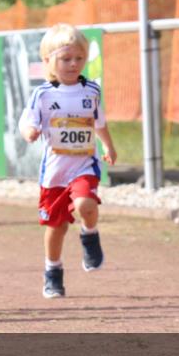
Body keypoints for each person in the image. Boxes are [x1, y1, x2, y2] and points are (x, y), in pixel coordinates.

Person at [18, 24, 117, 299]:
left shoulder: (91, 91)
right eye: (66, 59)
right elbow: (26, 121)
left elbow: (99, 122)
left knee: (86, 204)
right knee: (57, 227)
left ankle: (90, 233)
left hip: (84, 165)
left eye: (79, 58)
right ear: (49, 61)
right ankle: (53, 271)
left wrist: (108, 145)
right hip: (55, 172)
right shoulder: (43, 94)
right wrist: (30, 132)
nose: (74, 64)